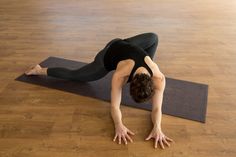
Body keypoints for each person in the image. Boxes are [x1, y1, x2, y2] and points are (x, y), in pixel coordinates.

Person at [25, 32, 173, 149]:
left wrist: (157, 127)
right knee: (77, 75)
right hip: (109, 53)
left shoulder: (159, 78)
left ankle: (126, 47)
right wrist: (118, 124)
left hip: (127, 45)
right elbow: (114, 106)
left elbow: (157, 108)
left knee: (153, 37)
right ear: (130, 81)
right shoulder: (120, 75)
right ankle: (39, 70)